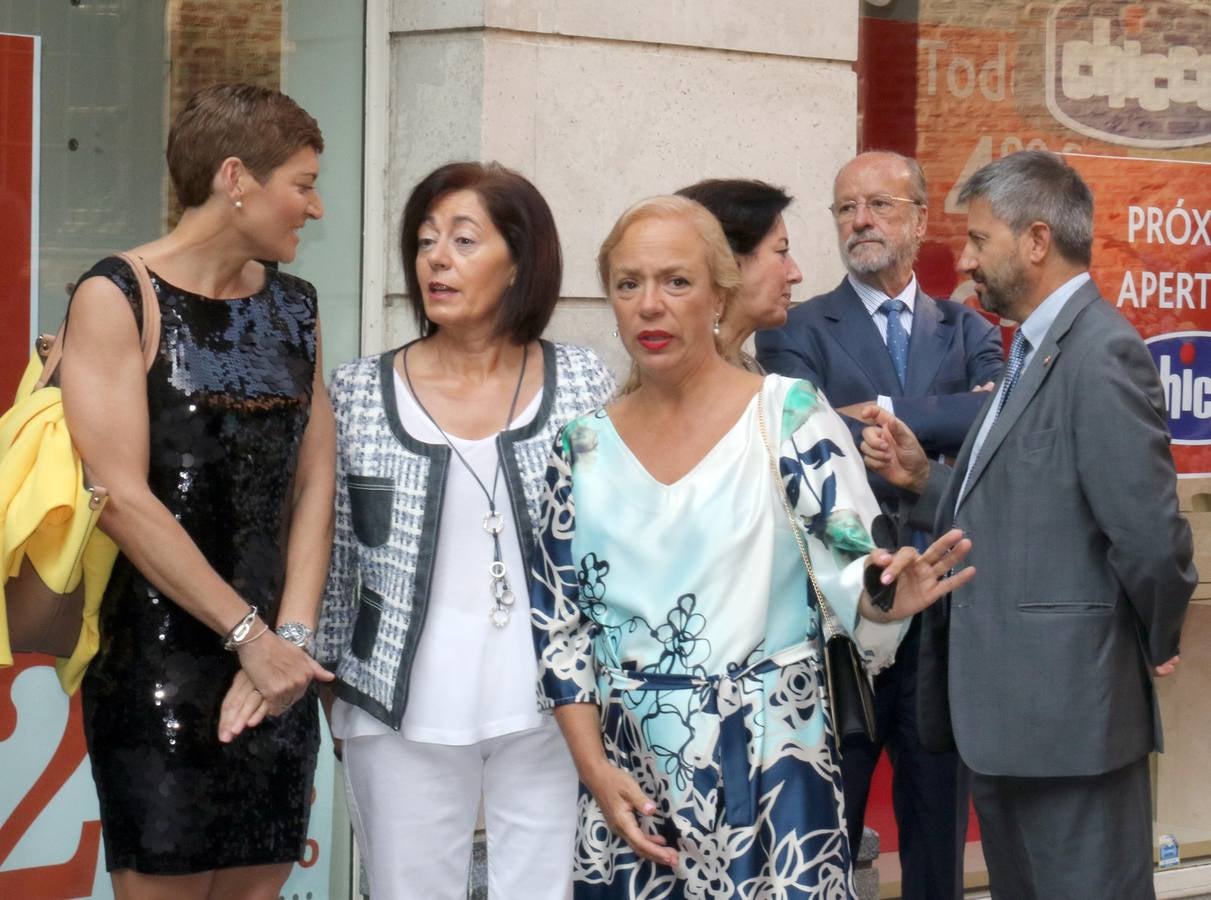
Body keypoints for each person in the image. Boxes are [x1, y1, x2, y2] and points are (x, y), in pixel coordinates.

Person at [530, 195, 974, 898]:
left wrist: (889, 599)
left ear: (717, 294)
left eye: (675, 281)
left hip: (774, 768)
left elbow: (853, 574)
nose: (650, 305)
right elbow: (559, 630)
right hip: (631, 780)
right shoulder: (578, 449)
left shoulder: (789, 415)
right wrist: (593, 770)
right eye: (627, 283)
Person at [859, 150, 1195, 900]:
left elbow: (1148, 536)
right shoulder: (1033, 351)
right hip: (1012, 723)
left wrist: (1153, 639)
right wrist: (920, 480)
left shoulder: (1100, 351)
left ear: (1035, 241)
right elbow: (1014, 507)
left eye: (978, 241)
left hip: (1071, 722)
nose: (966, 262)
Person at [59, 83, 335, 899]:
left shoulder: (296, 307)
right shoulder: (116, 295)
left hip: (278, 669)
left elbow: (314, 478)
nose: (315, 208)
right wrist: (245, 633)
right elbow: (120, 497)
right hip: (159, 667)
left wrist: (289, 638)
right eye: (303, 183)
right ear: (235, 176)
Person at [315, 161, 616, 900]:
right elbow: (332, 554)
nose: (436, 260)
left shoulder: (584, 382)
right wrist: (326, 680)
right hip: (395, 701)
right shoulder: (356, 390)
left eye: (463, 240)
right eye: (423, 242)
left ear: (520, 261)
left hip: (558, 703)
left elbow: (617, 543)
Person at [755, 150, 1003, 899]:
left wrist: (876, 416)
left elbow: (988, 429)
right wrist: (938, 421)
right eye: (844, 208)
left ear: (920, 220)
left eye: (879, 205)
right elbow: (807, 444)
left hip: (940, 621)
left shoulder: (969, 330)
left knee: (935, 846)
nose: (859, 220)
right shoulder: (793, 329)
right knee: (826, 838)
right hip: (840, 625)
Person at [674, 178, 803, 371]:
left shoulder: (748, 369)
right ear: (728, 263)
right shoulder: (685, 381)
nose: (796, 274)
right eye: (781, 251)